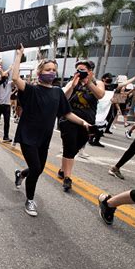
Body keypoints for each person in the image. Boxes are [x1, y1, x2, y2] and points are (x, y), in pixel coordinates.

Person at [12, 45, 91, 217]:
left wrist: (83, 122)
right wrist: (19, 55)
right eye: (48, 69)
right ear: (40, 72)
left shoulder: (57, 93)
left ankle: (20, 174)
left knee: (38, 169)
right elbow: (15, 78)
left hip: (44, 138)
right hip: (28, 136)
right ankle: (30, 200)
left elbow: (67, 113)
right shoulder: (31, 89)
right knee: (36, 168)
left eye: (54, 70)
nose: (52, 72)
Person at [57, 59, 105, 192]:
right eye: (78, 70)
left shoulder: (97, 83)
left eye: (83, 70)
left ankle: (63, 170)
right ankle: (67, 178)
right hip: (69, 119)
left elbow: (100, 95)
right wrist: (72, 85)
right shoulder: (73, 82)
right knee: (69, 147)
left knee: (75, 148)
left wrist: (88, 82)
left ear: (90, 72)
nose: (80, 72)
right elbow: (64, 98)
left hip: (87, 123)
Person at [0, 68, 13, 142]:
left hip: (7, 105)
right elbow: (2, 76)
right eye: (4, 74)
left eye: (7, 74)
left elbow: (15, 80)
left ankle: (6, 136)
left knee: (7, 121)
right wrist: (3, 68)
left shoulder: (10, 83)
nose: (5, 75)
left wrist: (13, 68)